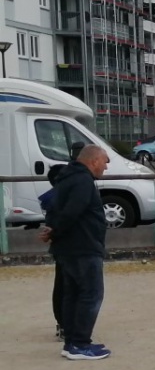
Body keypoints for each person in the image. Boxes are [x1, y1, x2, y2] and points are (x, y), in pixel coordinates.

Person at [40, 145, 111, 361]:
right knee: (91, 294)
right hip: (82, 247)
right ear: (94, 160)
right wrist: (55, 231)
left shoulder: (66, 178)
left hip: (67, 248)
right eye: (105, 162)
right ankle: (80, 344)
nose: (106, 167)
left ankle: (71, 342)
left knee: (72, 294)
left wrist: (53, 231)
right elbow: (72, 212)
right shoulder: (83, 181)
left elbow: (54, 209)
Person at [36, 141, 85, 343]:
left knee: (65, 285)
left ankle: (65, 324)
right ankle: (67, 325)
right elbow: (67, 217)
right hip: (71, 245)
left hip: (64, 245)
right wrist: (54, 233)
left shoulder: (67, 184)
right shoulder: (74, 183)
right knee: (70, 286)